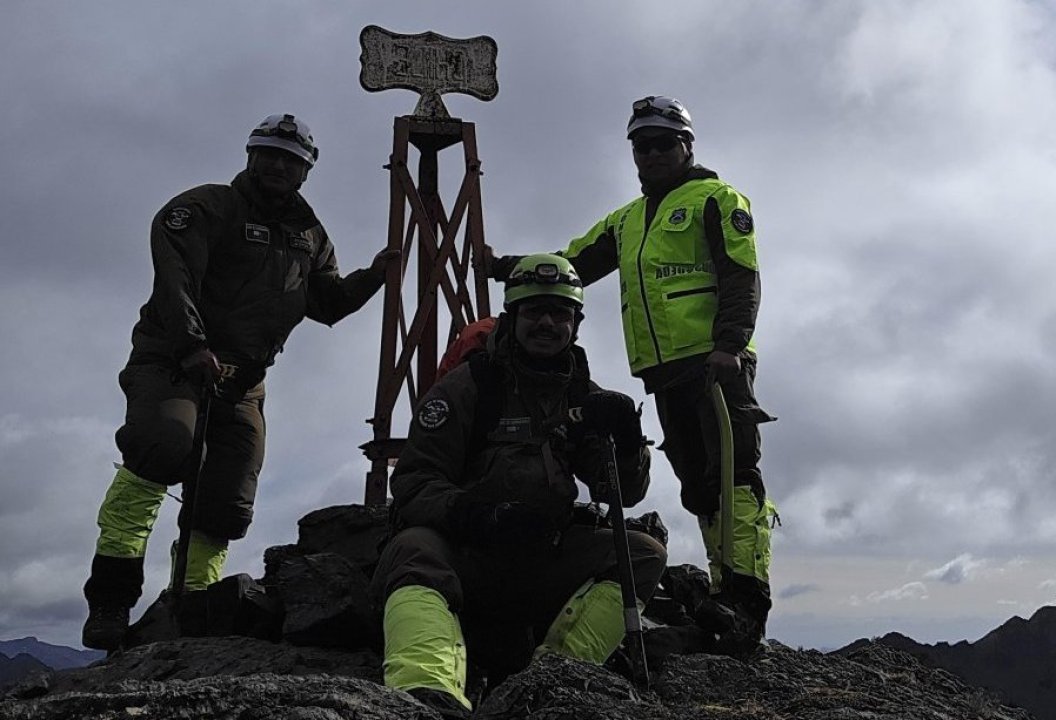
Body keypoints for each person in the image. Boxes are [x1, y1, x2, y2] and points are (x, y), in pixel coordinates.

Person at [81, 113, 397, 650]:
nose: (278, 165)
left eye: (291, 160)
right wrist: (193, 345)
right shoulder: (206, 208)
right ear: (249, 157)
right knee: (162, 446)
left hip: (244, 381)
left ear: (305, 171)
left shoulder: (309, 234)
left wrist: (376, 274)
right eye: (268, 153)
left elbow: (328, 304)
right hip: (174, 362)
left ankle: (194, 605)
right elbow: (174, 278)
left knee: (228, 500)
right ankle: (111, 599)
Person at [489, 95, 777, 656]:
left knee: (735, 475)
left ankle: (747, 605)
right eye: (640, 144)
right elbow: (570, 264)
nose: (650, 153)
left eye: (663, 142)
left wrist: (729, 345)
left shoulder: (717, 199)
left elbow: (741, 276)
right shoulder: (628, 220)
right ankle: (721, 598)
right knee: (699, 484)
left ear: (686, 146)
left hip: (716, 365)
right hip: (665, 373)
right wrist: (509, 267)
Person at [372, 254, 666, 717]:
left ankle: (554, 682)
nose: (547, 323)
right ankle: (425, 694)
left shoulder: (584, 397)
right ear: (513, 316)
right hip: (465, 554)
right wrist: (479, 515)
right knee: (413, 550)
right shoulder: (466, 387)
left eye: (559, 313)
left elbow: (622, 493)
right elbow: (414, 480)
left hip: (541, 557)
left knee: (645, 552)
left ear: (576, 322)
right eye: (534, 311)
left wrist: (628, 443)